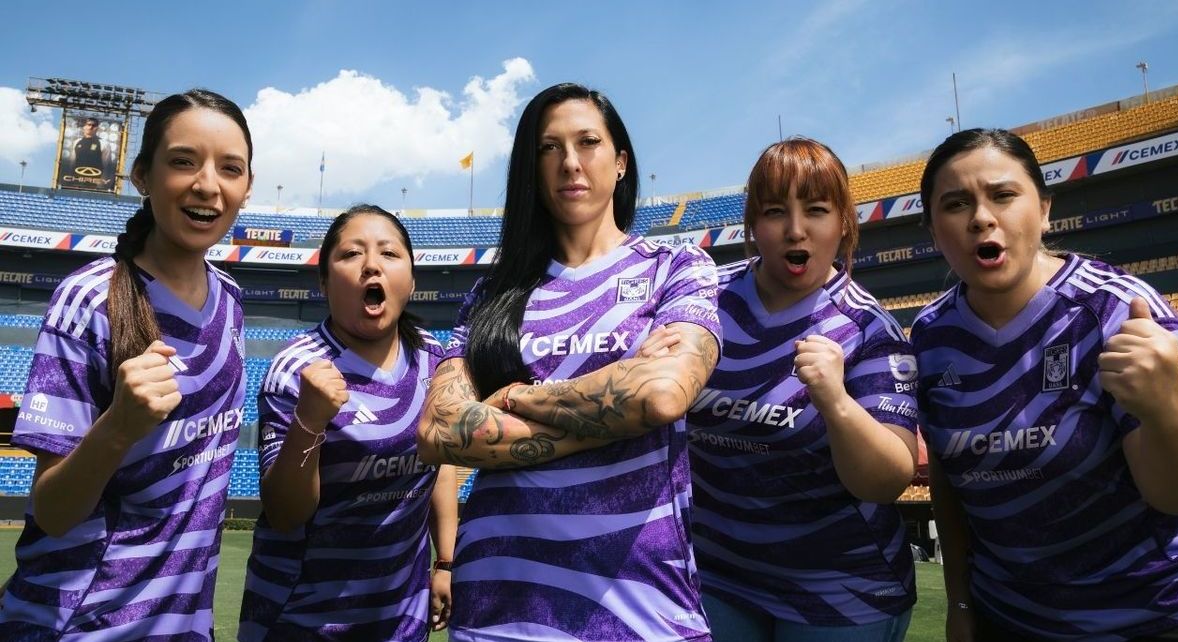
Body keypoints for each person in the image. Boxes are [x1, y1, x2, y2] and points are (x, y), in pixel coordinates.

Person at [415, 82, 722, 642]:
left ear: (621, 161)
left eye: (588, 142)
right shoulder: (491, 296)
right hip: (498, 605)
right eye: (549, 148)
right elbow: (439, 429)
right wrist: (616, 408)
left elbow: (661, 395)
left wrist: (517, 396)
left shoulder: (676, 267)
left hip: (638, 607)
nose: (570, 162)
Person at [914, 128, 1178, 641]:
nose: (981, 217)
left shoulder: (1117, 311)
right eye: (956, 204)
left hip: (1153, 616)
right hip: (1010, 619)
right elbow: (947, 480)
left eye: (1003, 195)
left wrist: (1168, 408)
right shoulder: (931, 336)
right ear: (933, 232)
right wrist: (959, 600)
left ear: (1044, 210)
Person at [0, 89, 253, 640]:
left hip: (185, 624)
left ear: (247, 187)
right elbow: (53, 511)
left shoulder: (232, 300)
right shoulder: (87, 300)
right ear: (142, 175)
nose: (207, 184)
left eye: (230, 168)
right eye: (183, 161)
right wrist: (117, 428)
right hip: (82, 624)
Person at [686, 138, 918, 642]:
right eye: (775, 212)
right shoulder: (701, 301)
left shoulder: (869, 328)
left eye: (816, 210)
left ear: (844, 223)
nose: (795, 229)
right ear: (752, 225)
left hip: (840, 589)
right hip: (718, 576)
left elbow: (888, 480)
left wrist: (837, 404)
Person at [238, 205, 457, 641]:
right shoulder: (296, 369)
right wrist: (309, 420)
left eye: (389, 253)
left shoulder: (434, 358)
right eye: (352, 254)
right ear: (324, 282)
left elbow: (441, 459)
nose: (371, 265)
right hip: (303, 621)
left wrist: (446, 562)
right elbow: (284, 513)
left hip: (401, 621)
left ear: (412, 280)